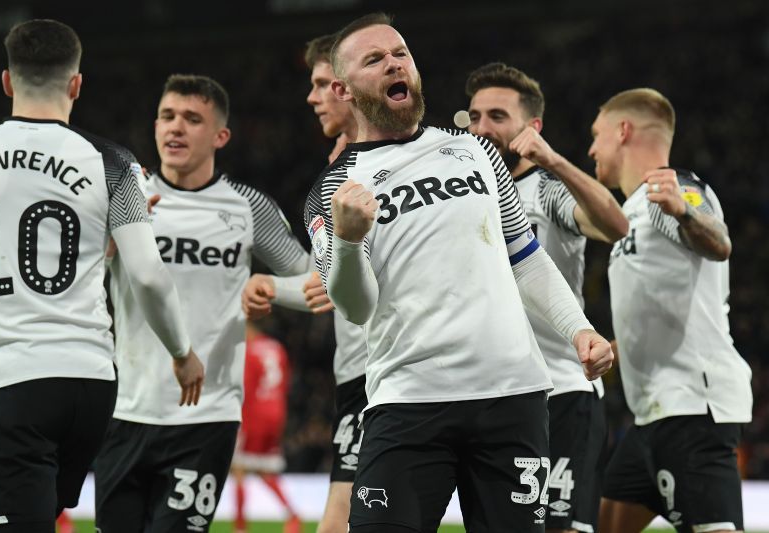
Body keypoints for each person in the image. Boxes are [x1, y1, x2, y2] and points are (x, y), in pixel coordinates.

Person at [304, 13, 614, 533]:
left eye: (400, 53)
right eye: (375, 59)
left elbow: (524, 254)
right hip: (408, 401)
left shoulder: (473, 150)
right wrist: (352, 240)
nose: (394, 64)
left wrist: (577, 327)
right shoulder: (333, 188)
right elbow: (356, 307)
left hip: (511, 397)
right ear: (344, 88)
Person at [0, 19, 203, 533]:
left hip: (4, 380)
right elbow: (146, 275)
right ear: (76, 84)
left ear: (7, 81)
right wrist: (183, 353)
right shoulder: (115, 163)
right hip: (89, 385)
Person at [94, 74, 310, 533]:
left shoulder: (248, 208)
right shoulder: (120, 200)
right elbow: (75, 282)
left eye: (193, 119)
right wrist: (102, 251)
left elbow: (318, 286)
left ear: (220, 136)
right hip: (126, 411)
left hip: (205, 418)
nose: (176, 128)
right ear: (154, 126)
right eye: (168, 116)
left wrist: (271, 288)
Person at [464, 62, 628, 533]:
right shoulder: (465, 195)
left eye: (497, 116)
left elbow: (616, 226)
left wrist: (552, 159)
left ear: (531, 128)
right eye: (474, 116)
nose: (482, 128)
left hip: (562, 392)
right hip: (496, 395)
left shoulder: (547, 191)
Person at [590, 88, 752, 533]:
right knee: (599, 525)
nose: (591, 149)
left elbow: (718, 241)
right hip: (651, 415)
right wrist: (614, 350)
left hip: (692, 408)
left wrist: (684, 211)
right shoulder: (634, 210)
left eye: (597, 135)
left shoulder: (673, 188)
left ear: (623, 131)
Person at [241, 32, 366, 533]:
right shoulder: (332, 179)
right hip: (360, 378)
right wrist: (271, 287)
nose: (311, 98)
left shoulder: (360, 177)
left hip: (384, 378)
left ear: (348, 87)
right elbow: (328, 286)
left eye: (321, 84)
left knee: (338, 524)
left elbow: (337, 287)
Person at [230, 321, 300, 533]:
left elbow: (247, 387)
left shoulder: (249, 351)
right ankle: (293, 516)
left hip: (254, 413)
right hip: (276, 411)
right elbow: (286, 381)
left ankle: (240, 526)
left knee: (239, 468)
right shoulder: (276, 347)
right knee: (265, 470)